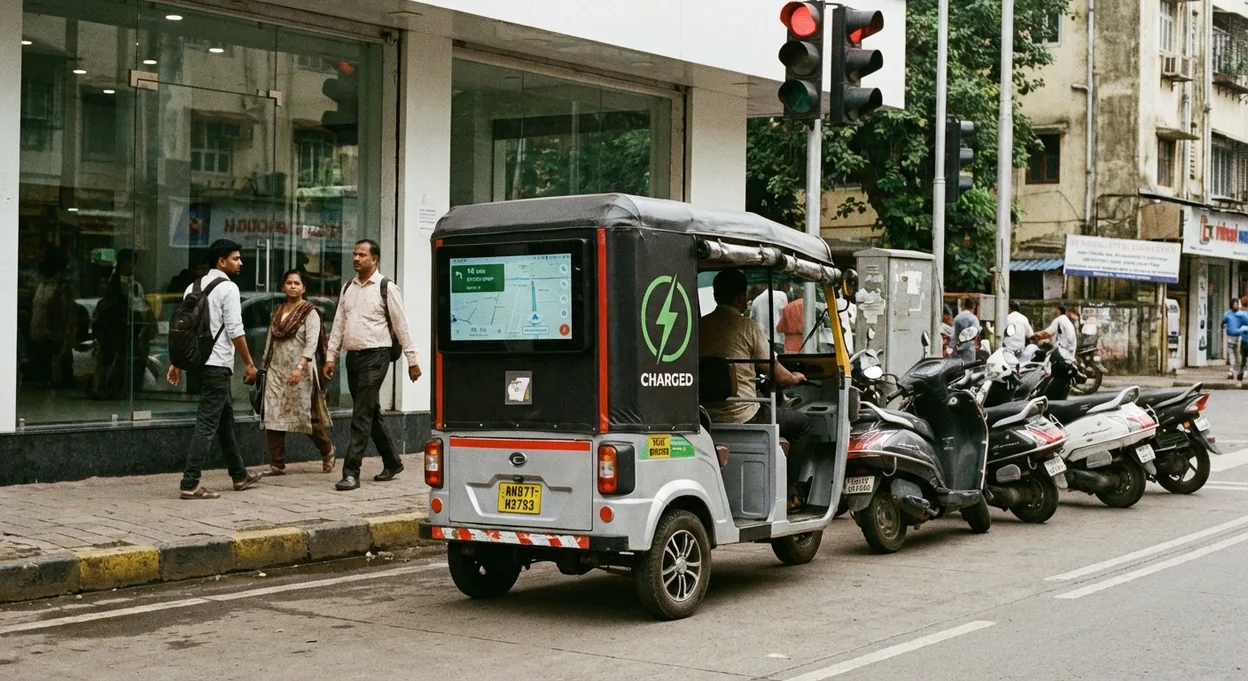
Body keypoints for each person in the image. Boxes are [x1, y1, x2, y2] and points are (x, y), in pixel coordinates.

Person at [699, 269, 812, 510]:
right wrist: (794, 378)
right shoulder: (747, 327)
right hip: (742, 415)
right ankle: (790, 493)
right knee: (802, 423)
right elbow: (777, 374)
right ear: (740, 297)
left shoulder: (698, 326)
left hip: (704, 415)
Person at [167, 239, 263, 500]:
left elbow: (185, 331)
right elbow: (235, 330)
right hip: (217, 365)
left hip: (199, 363)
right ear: (221, 261)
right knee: (208, 423)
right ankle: (190, 483)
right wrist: (250, 364)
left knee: (224, 421)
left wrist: (177, 363)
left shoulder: (192, 287)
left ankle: (239, 475)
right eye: (236, 258)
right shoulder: (228, 289)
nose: (240, 262)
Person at [323, 239, 422, 491]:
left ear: (374, 259)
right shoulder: (348, 287)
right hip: (353, 356)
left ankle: (351, 472)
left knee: (361, 414)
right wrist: (330, 356)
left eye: (362, 255)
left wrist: (413, 360)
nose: (356, 258)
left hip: (377, 355)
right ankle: (392, 461)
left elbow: (401, 325)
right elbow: (339, 324)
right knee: (369, 410)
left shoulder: (386, 287)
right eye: (355, 254)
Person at [260, 269, 335, 476]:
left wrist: (300, 367)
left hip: (300, 371)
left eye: (297, 283)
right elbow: (270, 339)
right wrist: (262, 366)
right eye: (289, 283)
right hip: (276, 370)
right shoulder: (277, 310)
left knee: (305, 416)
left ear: (304, 288)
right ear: (283, 286)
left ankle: (327, 450)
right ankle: (277, 463)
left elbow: (312, 343)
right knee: (273, 415)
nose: (292, 286)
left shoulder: (310, 312)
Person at [748, 283, 788, 354]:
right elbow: (785, 314)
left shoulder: (756, 301)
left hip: (763, 339)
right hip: (779, 338)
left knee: (766, 363)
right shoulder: (781, 295)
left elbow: (751, 321)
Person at [952, 297, 981, 362]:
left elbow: (953, 333)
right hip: (969, 349)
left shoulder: (957, 317)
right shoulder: (973, 318)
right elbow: (976, 333)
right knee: (969, 369)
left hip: (957, 348)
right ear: (974, 306)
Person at [1223, 298, 1243, 381]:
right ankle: (1231, 371)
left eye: (1237, 304)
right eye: (1235, 304)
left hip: (1240, 339)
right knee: (1232, 357)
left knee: (1240, 358)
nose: (1236, 305)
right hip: (1231, 340)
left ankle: (1234, 372)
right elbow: (1224, 324)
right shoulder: (1228, 314)